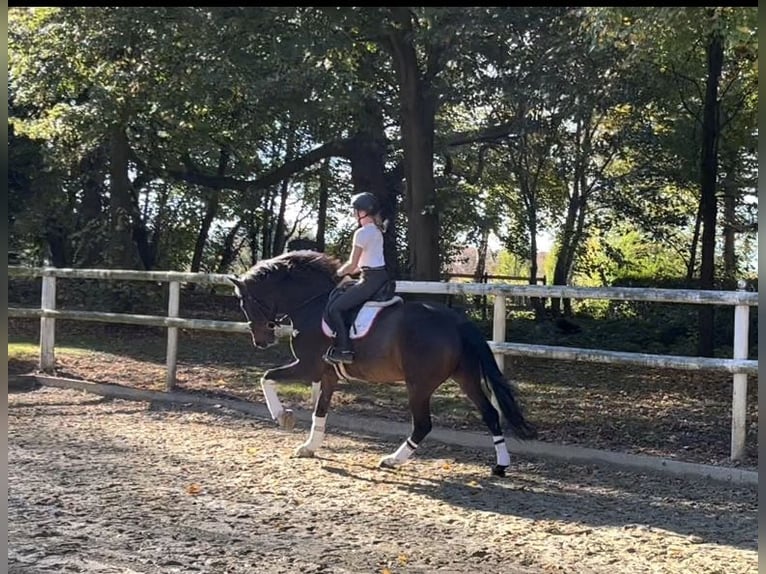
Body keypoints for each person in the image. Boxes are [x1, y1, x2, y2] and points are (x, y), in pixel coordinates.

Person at [324, 192, 391, 364]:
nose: (354, 213)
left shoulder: (362, 233)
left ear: (363, 212)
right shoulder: (376, 230)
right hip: (378, 276)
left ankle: (345, 349)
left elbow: (352, 265)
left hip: (370, 279)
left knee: (335, 308)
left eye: (355, 210)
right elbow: (360, 266)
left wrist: (335, 274)